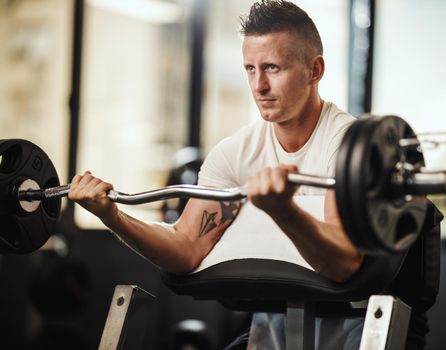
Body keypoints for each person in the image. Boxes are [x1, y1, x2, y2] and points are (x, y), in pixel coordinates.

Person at [69, 1, 408, 349]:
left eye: (273, 67)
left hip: (357, 336)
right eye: (250, 68)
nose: (259, 85)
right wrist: (112, 216)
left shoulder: (349, 146)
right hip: (270, 337)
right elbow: (186, 247)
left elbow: (344, 264)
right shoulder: (235, 153)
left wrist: (284, 211)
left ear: (314, 70)